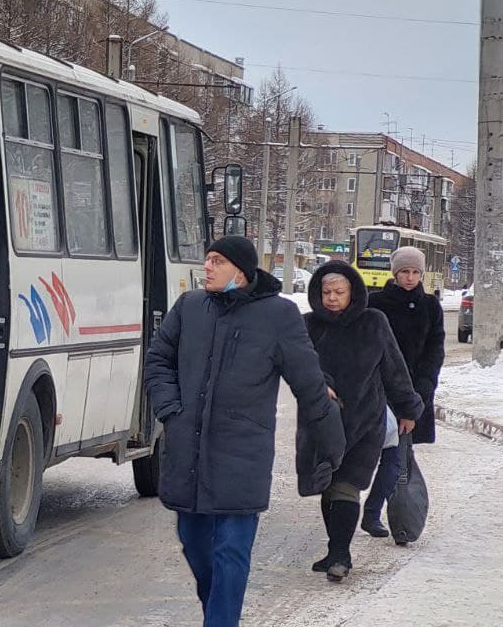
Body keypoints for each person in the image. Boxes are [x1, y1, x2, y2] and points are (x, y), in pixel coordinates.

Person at [145, 236, 343, 626]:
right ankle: (216, 613)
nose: (207, 267)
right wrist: (171, 411)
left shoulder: (278, 315)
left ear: (240, 269)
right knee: (195, 545)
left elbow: (308, 382)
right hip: (189, 452)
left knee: (231, 552)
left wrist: (333, 444)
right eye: (207, 260)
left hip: (243, 454)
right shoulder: (189, 307)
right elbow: (158, 359)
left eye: (216, 261)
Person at [303, 263, 425, 582]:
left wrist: (407, 409)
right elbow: (298, 365)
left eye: (339, 292)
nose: (331, 298)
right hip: (323, 423)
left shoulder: (373, 322)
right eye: (326, 292)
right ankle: (335, 549)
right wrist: (318, 383)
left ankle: (341, 554)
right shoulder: (308, 326)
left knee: (347, 485)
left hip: (364, 420)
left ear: (353, 292)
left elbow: (393, 368)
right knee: (328, 486)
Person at [362, 246, 445, 538]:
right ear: (395, 273)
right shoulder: (376, 303)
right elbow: (368, 348)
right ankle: (371, 513)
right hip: (380, 391)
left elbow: (435, 351)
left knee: (397, 456)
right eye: (404, 272)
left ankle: (376, 514)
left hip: (414, 393)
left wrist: (422, 390)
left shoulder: (431, 306)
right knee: (374, 453)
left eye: (415, 272)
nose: (410, 278)